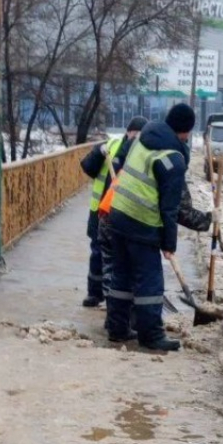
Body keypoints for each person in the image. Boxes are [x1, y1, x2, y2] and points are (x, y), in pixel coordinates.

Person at [106, 103, 197, 351]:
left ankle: (117, 329)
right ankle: (151, 336)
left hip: (118, 213)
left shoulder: (143, 137)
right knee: (150, 283)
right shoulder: (172, 159)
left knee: (121, 277)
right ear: (186, 132)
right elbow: (170, 208)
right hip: (142, 222)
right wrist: (169, 244)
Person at [98, 158, 221, 339]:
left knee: (117, 274)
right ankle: (130, 325)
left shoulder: (142, 162)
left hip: (110, 217)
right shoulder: (172, 171)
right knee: (139, 276)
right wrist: (209, 219)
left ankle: (117, 322)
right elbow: (181, 212)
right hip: (129, 224)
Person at [79, 116, 148, 307]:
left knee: (118, 260)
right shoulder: (112, 146)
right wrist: (99, 154)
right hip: (101, 211)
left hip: (124, 214)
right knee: (97, 254)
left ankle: (114, 299)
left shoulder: (144, 154)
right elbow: (87, 167)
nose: (136, 139)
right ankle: (95, 293)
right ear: (128, 132)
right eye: (135, 134)